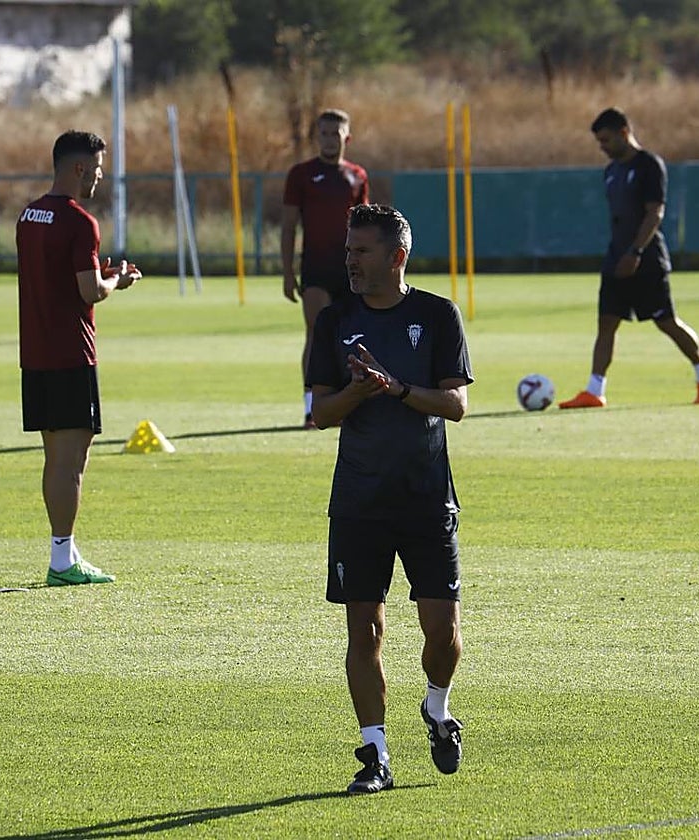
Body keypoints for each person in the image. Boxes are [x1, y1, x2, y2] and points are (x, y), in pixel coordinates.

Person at [307, 204, 473, 795]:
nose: (349, 261)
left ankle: (436, 705)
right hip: (359, 500)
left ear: (396, 256)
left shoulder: (437, 315)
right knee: (365, 633)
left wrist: (396, 387)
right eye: (348, 250)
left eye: (362, 251)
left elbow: (455, 406)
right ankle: (375, 753)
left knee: (442, 633)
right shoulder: (334, 321)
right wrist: (356, 391)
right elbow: (319, 415)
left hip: (427, 497)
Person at [16, 130, 142, 586]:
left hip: (35, 352)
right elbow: (89, 291)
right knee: (72, 462)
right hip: (71, 352)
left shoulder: (29, 216)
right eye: (98, 169)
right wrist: (118, 281)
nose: (99, 178)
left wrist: (98, 274)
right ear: (79, 168)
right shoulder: (79, 221)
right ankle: (62, 560)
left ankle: (62, 553)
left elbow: (60, 278)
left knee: (55, 459)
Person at [559, 106, 699, 409]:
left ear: (623, 132)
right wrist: (620, 254)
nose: (602, 148)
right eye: (599, 142)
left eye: (606, 140)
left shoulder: (649, 165)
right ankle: (595, 390)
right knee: (606, 322)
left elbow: (654, 212)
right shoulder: (611, 172)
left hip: (645, 259)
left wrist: (635, 252)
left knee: (666, 322)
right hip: (615, 259)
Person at [282, 108, 370, 429]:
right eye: (324, 133)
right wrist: (288, 272)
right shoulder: (301, 175)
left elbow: (365, 228)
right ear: (316, 136)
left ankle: (349, 405)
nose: (329, 139)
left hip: (351, 271)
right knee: (318, 333)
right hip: (315, 270)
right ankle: (311, 408)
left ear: (347, 137)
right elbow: (290, 226)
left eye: (336, 133)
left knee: (354, 336)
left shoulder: (357, 176)